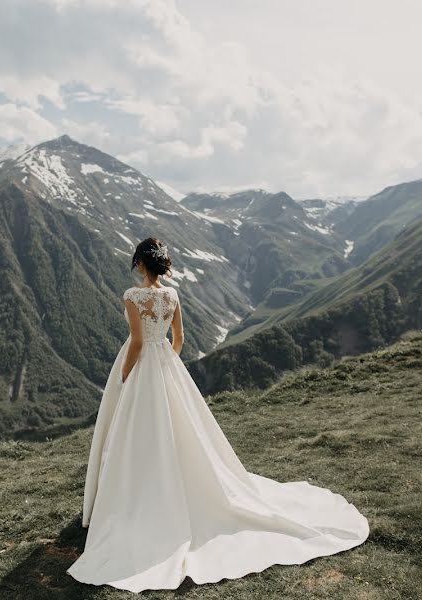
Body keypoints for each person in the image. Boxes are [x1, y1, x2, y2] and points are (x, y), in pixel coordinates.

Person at [66, 236, 369, 593]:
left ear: (141, 265)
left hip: (142, 365)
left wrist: (125, 375)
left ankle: (132, 497)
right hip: (164, 364)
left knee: (136, 433)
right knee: (179, 430)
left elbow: (135, 341)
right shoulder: (173, 295)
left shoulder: (133, 297)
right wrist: (167, 363)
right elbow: (179, 336)